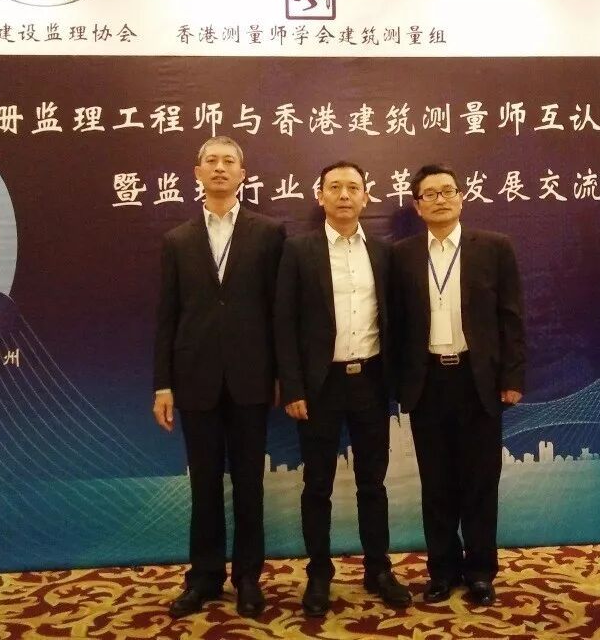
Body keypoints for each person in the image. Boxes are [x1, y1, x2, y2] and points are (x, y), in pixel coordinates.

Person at [152, 136, 285, 619]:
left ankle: (248, 578)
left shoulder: (269, 233)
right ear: (197, 173)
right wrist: (163, 384)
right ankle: (204, 577)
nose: (221, 168)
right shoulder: (177, 239)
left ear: (243, 174)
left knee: (250, 485)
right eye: (212, 161)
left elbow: (280, 311)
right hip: (195, 380)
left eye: (230, 161)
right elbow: (168, 316)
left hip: (252, 378)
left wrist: (282, 376)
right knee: (204, 486)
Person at [274, 161, 412, 617]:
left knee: (373, 483)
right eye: (334, 187)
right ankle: (319, 574)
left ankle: (378, 569)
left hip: (370, 380)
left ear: (367, 196)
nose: (344, 195)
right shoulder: (299, 251)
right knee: (317, 485)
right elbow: (284, 323)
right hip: (320, 386)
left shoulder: (384, 253)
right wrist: (293, 386)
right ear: (320, 196)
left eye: (353, 187)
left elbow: (395, 321)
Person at [391, 163, 525, 607]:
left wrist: (512, 377)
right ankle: (442, 571)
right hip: (427, 381)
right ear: (417, 205)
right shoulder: (402, 255)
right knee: (436, 483)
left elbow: (511, 318)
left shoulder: (494, 248)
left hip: (477, 381)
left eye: (448, 191)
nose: (441, 199)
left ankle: (481, 572)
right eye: (430, 194)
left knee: (481, 483)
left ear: (462, 197)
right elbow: (395, 324)